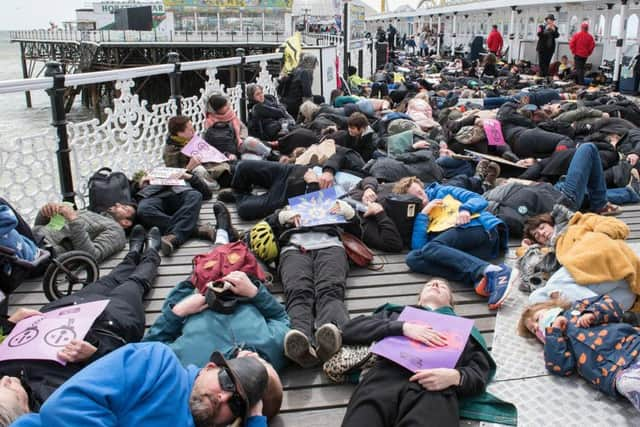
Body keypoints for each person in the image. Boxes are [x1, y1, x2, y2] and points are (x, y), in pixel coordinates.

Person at [0, 225, 161, 416]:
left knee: (109, 280)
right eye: (11, 391)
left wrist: (9, 324)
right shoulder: (60, 402)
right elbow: (126, 376)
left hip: (64, 312)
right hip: (109, 325)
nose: (6, 380)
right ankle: (152, 253)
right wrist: (94, 354)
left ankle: (132, 254)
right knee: (134, 283)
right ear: (24, 413)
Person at [341, 279, 516, 426]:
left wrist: (456, 377)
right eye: (430, 284)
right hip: (383, 379)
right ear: (419, 298)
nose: (435, 285)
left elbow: (480, 372)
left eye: (443, 286)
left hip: (436, 388)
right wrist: (403, 327)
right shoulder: (396, 313)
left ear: (451, 302)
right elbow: (350, 329)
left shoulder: (466, 330)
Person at [144, 217, 290, 370]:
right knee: (243, 257)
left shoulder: (190, 364)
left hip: (199, 296)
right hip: (244, 292)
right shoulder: (271, 350)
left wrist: (178, 310)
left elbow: (147, 353)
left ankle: (222, 233)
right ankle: (228, 235)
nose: (252, 357)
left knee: (207, 266)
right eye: (262, 366)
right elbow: (281, 318)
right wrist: (255, 292)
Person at [8, 342, 271, 427]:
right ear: (210, 367)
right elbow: (64, 409)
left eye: (236, 403)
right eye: (226, 382)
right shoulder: (158, 362)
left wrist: (256, 416)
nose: (223, 398)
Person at [251, 198, 359, 368]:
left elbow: (358, 228)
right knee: (298, 291)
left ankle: (331, 333)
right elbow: (262, 226)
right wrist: (283, 216)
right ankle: (299, 340)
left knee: (330, 290)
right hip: (294, 248)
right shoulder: (286, 209)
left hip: (330, 246)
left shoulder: (335, 203)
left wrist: (346, 210)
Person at [398, 177, 512, 310]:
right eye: (416, 198)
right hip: (462, 250)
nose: (422, 198)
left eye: (420, 192)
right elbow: (419, 248)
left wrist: (465, 209)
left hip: (478, 229)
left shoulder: (443, 191)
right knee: (413, 258)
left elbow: (478, 198)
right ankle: (480, 278)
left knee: (432, 247)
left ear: (423, 188)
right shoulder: (420, 215)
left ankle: (494, 271)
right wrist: (423, 214)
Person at [517, 294, 640, 412]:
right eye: (534, 330)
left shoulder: (578, 308)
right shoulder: (557, 343)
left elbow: (610, 303)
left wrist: (592, 314)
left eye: (538, 319)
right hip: (614, 373)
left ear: (551, 309)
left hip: (632, 345)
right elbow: (560, 367)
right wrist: (554, 333)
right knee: (629, 384)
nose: (538, 327)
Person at [126, 168, 215, 256]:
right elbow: (131, 196)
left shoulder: (184, 172)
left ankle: (175, 236)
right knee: (143, 209)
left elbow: (207, 194)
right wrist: (139, 185)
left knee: (195, 195)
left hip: (180, 194)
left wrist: (189, 177)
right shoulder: (149, 176)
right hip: (153, 197)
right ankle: (194, 230)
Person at [33, 202, 126, 263]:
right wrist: (45, 212)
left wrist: (73, 219)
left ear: (126, 222)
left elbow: (91, 256)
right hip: (32, 237)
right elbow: (41, 227)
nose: (118, 204)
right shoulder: (91, 213)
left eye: (124, 208)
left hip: (43, 251)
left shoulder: (116, 230)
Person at [163, 115, 230, 190]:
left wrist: (224, 155)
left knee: (235, 167)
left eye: (193, 128)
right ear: (179, 133)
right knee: (200, 170)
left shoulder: (189, 140)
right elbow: (176, 176)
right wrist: (189, 167)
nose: (194, 131)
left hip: (216, 168)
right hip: (204, 176)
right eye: (190, 130)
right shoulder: (171, 151)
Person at [280, 54, 318, 119]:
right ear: (311, 63)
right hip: (296, 102)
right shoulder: (305, 72)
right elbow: (307, 92)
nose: (314, 67)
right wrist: (310, 108)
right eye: (314, 64)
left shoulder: (296, 69)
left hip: (286, 100)